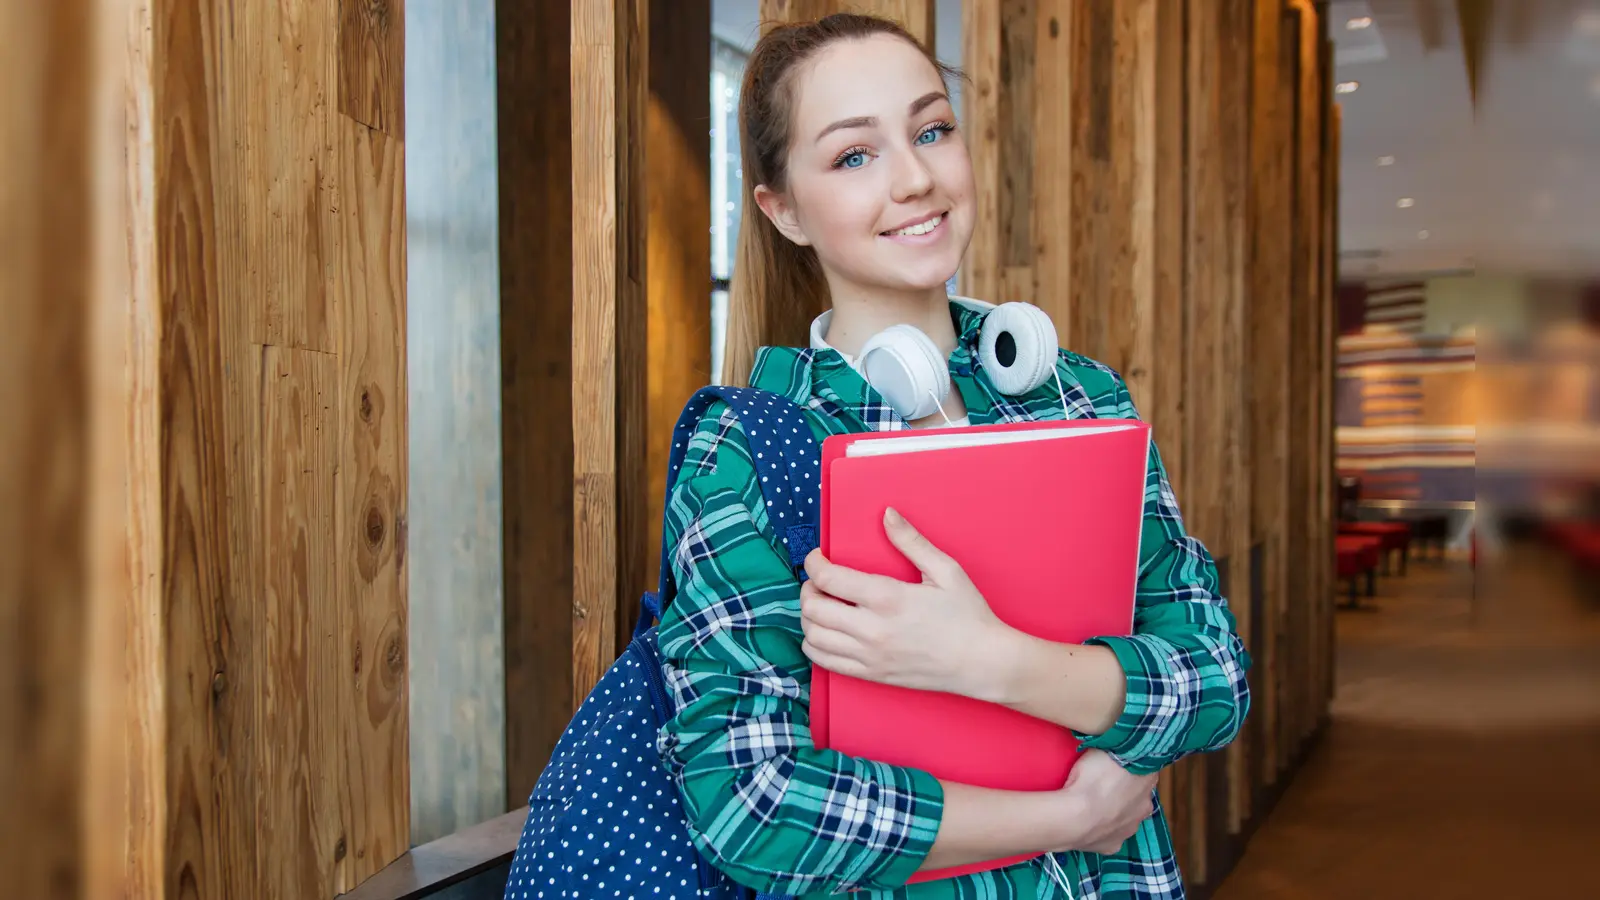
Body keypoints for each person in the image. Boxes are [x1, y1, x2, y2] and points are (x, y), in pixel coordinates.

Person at [656, 13, 1251, 899]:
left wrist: (990, 661)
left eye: (932, 130)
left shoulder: (1079, 397)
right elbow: (750, 803)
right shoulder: (747, 448)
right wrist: (1068, 817)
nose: (917, 178)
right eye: (855, 156)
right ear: (782, 211)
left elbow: (1215, 676)